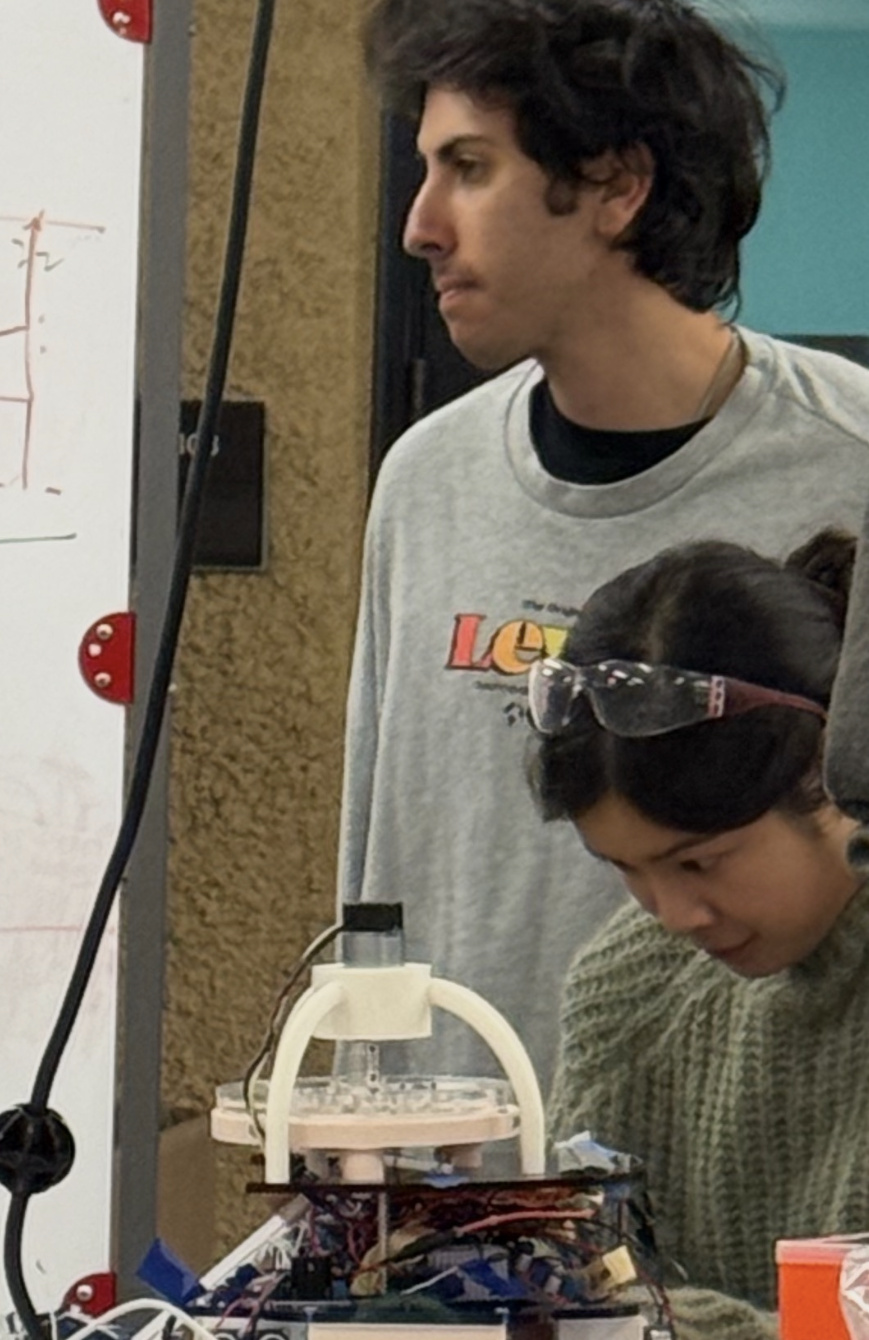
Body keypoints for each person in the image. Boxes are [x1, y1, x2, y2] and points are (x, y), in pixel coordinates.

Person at [341, 0, 869, 1081]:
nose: (420, 224)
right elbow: (375, 855)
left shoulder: (849, 462)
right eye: (426, 169)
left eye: (469, 168)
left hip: (761, 1187)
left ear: (615, 187)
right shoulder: (424, 481)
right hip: (461, 1195)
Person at [531, 532, 869, 1340]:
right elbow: (576, 1282)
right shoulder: (631, 991)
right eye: (627, 870)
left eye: (700, 862)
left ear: (826, 772)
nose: (673, 915)